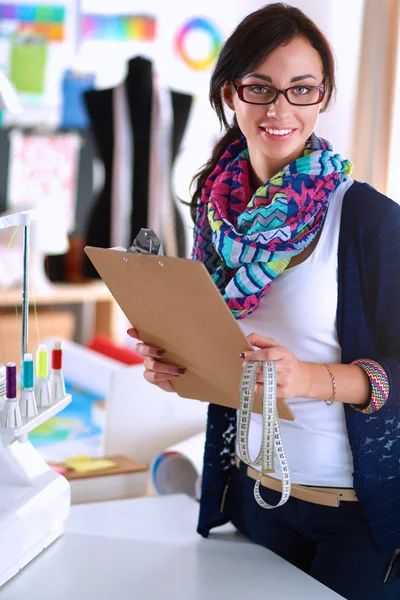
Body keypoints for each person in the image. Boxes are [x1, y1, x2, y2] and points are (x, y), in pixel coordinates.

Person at [128, 3, 400, 599]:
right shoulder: (213, 214)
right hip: (256, 497)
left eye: (301, 89)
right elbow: (222, 352)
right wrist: (176, 363)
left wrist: (309, 379)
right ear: (232, 95)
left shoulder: (368, 219)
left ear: (322, 97)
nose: (280, 110)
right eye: (261, 88)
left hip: (357, 517)